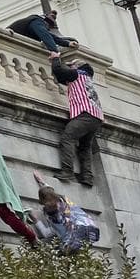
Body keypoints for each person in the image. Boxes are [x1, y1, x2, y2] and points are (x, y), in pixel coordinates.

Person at [50, 56, 103, 186]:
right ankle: (87, 177)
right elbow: (62, 78)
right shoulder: (87, 79)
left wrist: (55, 59)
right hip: (96, 116)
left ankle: (67, 171)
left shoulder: (76, 74)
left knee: (67, 138)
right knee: (85, 147)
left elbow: (59, 71)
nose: (69, 68)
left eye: (71, 66)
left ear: (76, 67)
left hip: (85, 114)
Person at [31, 172, 99, 255]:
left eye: (51, 201)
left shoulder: (61, 212)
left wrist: (36, 221)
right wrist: (41, 182)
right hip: (86, 231)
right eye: (47, 202)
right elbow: (49, 233)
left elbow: (63, 232)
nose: (50, 204)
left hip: (81, 232)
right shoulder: (57, 204)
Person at [8, 13, 76, 53]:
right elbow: (46, 36)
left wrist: (68, 43)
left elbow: (50, 36)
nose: (47, 29)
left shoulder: (32, 22)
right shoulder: (37, 21)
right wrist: (55, 52)